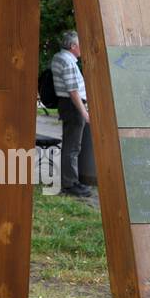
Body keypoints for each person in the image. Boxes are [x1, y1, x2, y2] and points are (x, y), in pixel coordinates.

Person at [51, 30, 93, 197]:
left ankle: (70, 181)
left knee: (71, 144)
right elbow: (73, 91)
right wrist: (84, 112)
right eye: (80, 45)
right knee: (73, 146)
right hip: (73, 106)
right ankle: (70, 184)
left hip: (66, 105)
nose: (82, 48)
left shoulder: (58, 58)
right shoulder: (68, 62)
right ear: (73, 46)